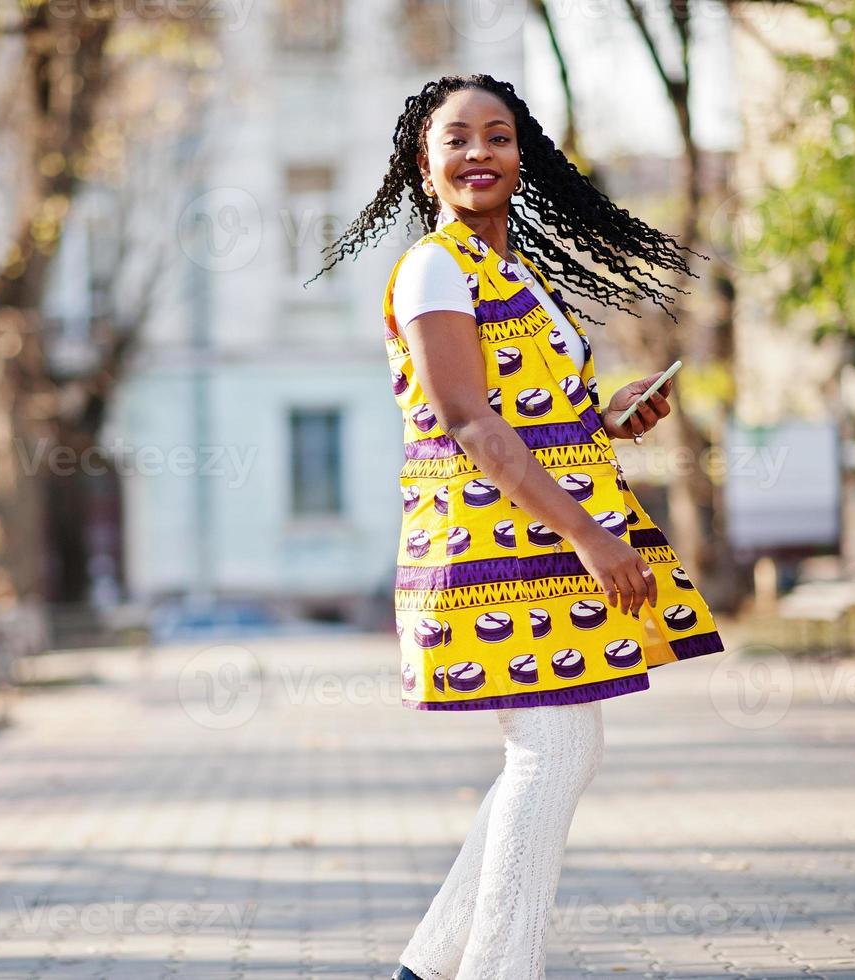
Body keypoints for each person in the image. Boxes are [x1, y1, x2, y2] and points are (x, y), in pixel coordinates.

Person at [304, 74, 727, 979]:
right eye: (455, 140)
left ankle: (428, 968)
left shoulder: (516, 276)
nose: (478, 154)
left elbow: (528, 411)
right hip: (494, 546)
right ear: (425, 168)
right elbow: (467, 421)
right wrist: (590, 536)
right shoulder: (434, 267)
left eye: (497, 137)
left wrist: (605, 419)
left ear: (522, 160)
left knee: (556, 753)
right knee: (557, 748)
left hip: (541, 537)